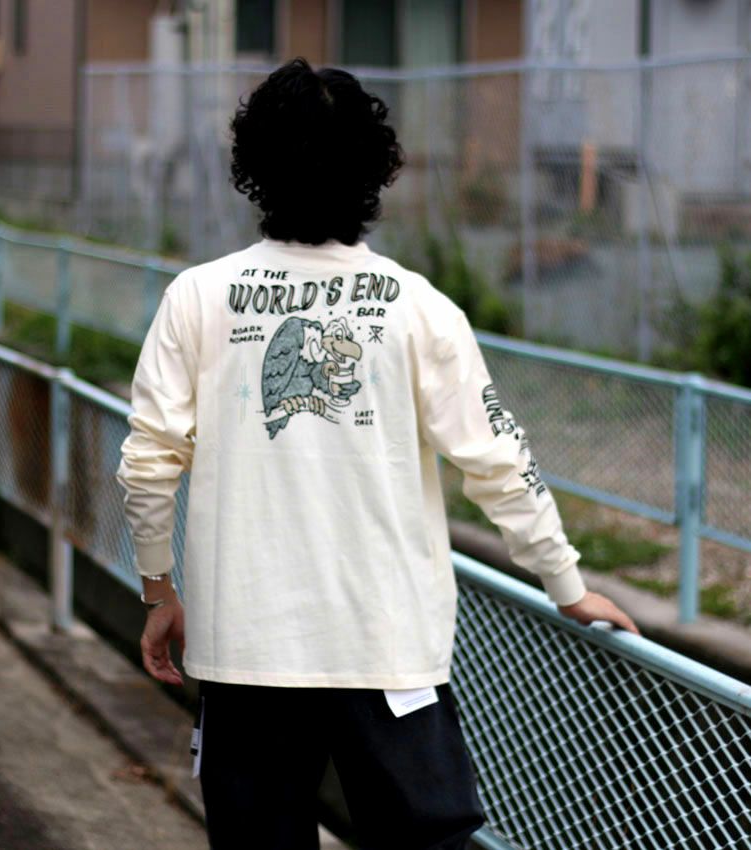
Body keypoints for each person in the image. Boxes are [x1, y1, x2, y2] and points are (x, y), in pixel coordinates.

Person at [115, 57, 641, 850]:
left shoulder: (198, 297)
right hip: (387, 648)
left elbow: (147, 464)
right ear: (377, 170)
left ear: (252, 167)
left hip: (245, 650)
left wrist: (159, 591)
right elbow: (500, 461)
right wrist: (566, 585)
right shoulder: (420, 309)